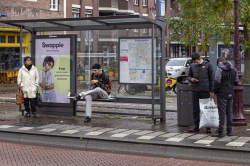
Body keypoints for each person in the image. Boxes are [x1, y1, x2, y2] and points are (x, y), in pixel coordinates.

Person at [211, 57, 239, 138]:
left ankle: (220, 132)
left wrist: (215, 91)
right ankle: (229, 131)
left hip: (222, 94)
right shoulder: (234, 69)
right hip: (230, 93)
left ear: (220, 63)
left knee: (222, 113)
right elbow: (237, 81)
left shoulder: (220, 69)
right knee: (229, 112)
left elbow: (216, 82)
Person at [188, 52, 214, 133]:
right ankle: (196, 125)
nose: (195, 63)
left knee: (205, 109)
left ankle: (208, 126)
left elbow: (212, 78)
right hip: (195, 90)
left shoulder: (208, 65)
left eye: (196, 62)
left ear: (200, 58)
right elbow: (189, 76)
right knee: (195, 109)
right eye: (194, 62)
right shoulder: (192, 66)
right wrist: (191, 80)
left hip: (205, 90)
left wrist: (212, 90)